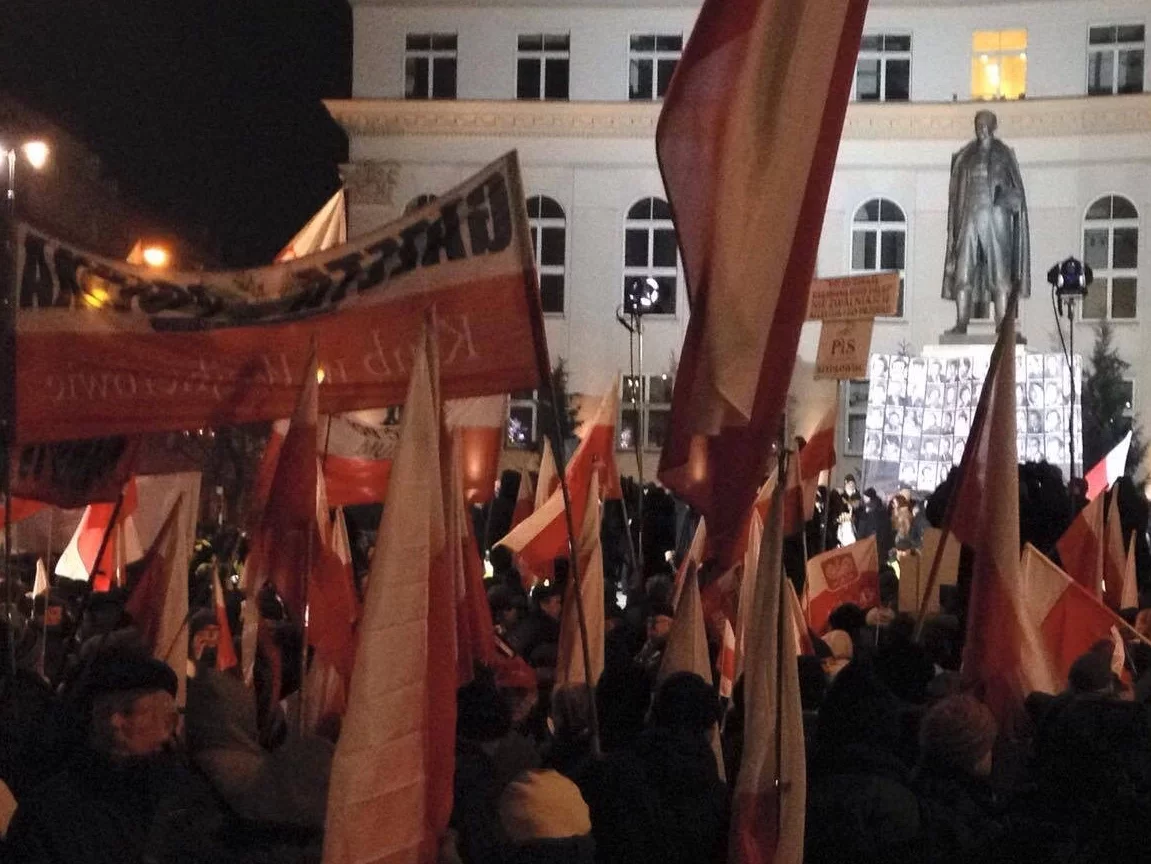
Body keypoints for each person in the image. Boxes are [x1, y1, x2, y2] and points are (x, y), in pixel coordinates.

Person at [6, 651, 230, 863]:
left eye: (128, 711)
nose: (113, 723)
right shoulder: (48, 812)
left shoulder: (194, 803)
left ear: (168, 723)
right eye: (104, 711)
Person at [941, 109, 1031, 334]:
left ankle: (1003, 325)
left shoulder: (1004, 154)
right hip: (968, 215)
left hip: (995, 218)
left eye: (985, 124)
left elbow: (1016, 193)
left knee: (1000, 275)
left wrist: (1004, 199)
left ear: (993, 126)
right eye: (977, 124)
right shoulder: (965, 156)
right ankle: (961, 322)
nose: (980, 128)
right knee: (963, 272)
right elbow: (955, 196)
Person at [913, 695, 1001, 864]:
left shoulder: (922, 782)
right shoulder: (965, 818)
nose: (992, 755)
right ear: (973, 759)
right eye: (988, 748)